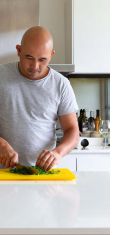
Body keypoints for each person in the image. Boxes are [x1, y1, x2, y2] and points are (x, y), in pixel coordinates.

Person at [0, 26, 79, 171]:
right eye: (29, 57)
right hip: (3, 172)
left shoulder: (61, 84)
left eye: (42, 60)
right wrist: (2, 145)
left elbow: (72, 130)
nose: (35, 66)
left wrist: (57, 153)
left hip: (42, 173)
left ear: (52, 54)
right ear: (19, 50)